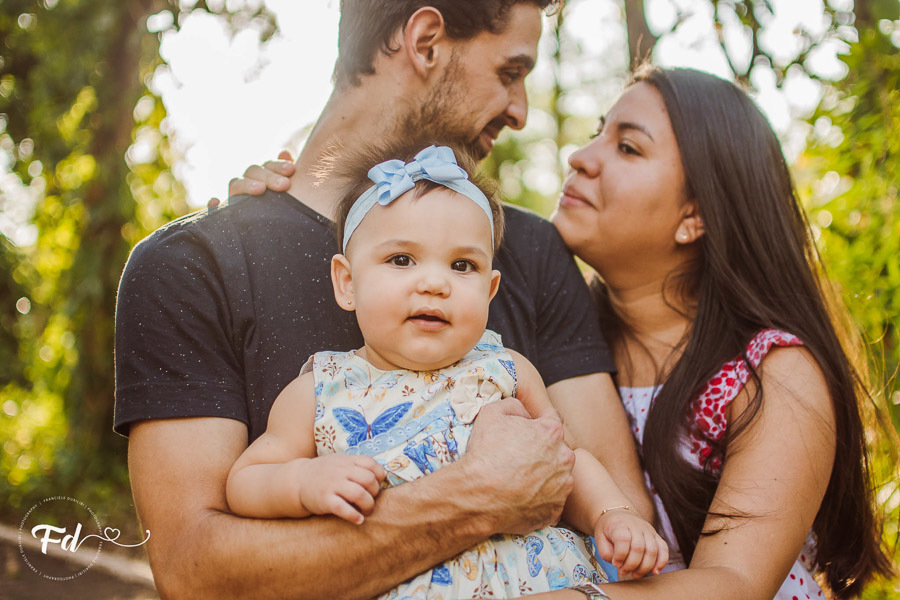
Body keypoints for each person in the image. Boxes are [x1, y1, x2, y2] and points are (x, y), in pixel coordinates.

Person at [241, 67, 894, 599]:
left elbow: (733, 584)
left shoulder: (768, 373)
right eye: (594, 134)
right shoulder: (566, 336)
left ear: (695, 215)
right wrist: (270, 217)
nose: (580, 157)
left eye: (627, 147)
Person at [114, 2, 652, 597]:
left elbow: (625, 527)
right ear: (425, 41)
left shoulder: (528, 250)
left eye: (464, 266)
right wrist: (476, 495)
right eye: (509, 72)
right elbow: (195, 574)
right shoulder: (195, 264)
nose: (520, 111)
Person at [225, 144, 667, 596]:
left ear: (490, 290)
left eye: (462, 265)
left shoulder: (507, 370)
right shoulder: (320, 390)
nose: (435, 283)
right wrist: (303, 482)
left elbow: (566, 459)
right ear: (348, 282)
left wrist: (612, 513)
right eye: (401, 260)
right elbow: (245, 480)